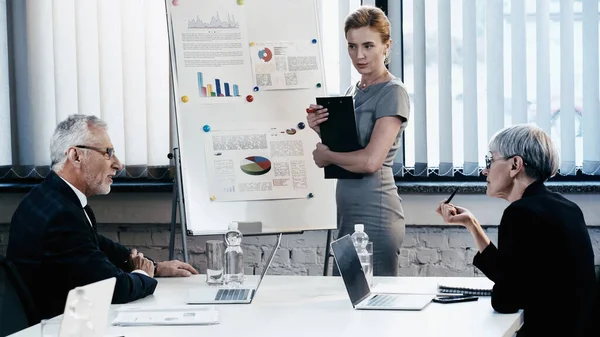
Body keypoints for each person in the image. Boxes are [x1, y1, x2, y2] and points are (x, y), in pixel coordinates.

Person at [7, 114, 198, 320]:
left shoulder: (51, 196)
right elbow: (115, 289)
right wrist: (144, 274)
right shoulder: (61, 215)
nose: (118, 164)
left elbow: (96, 245)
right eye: (108, 153)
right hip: (56, 328)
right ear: (76, 156)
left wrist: (155, 266)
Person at [435, 124, 597, 337]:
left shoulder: (520, 213)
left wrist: (503, 290)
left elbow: (506, 301)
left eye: (491, 160)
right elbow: (512, 277)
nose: (485, 170)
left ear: (515, 164)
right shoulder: (565, 207)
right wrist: (471, 224)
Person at [306, 5, 410, 276]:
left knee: (376, 306)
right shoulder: (353, 90)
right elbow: (352, 149)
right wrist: (320, 130)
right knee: (346, 303)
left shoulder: (393, 92)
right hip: (348, 207)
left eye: (368, 46)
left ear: (386, 46)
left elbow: (370, 161)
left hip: (376, 208)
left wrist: (326, 156)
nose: (359, 55)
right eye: (352, 46)